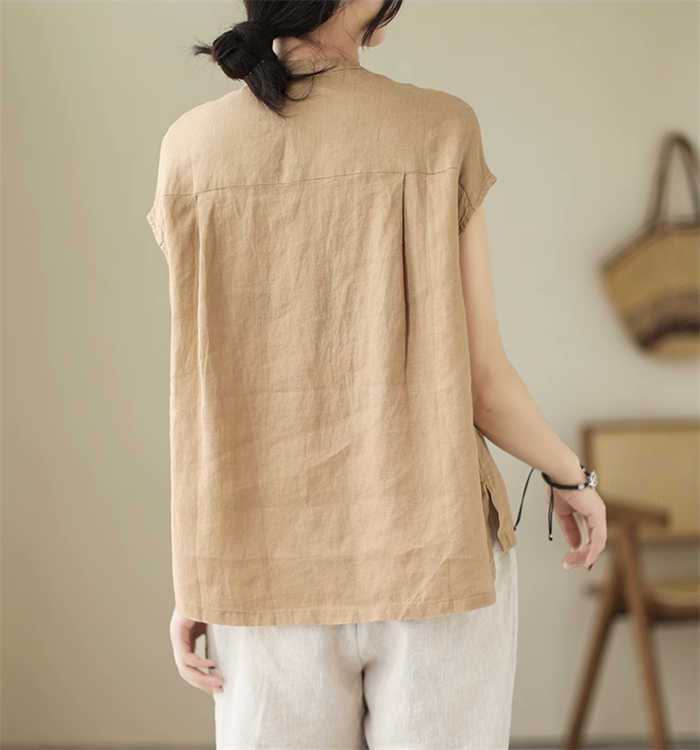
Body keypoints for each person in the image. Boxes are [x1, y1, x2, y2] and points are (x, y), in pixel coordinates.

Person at [146, 1, 608, 747]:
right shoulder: (439, 128)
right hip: (435, 552)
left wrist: (197, 577)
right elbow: (483, 380)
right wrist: (570, 477)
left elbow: (206, 383)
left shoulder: (191, 148)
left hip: (258, 561)